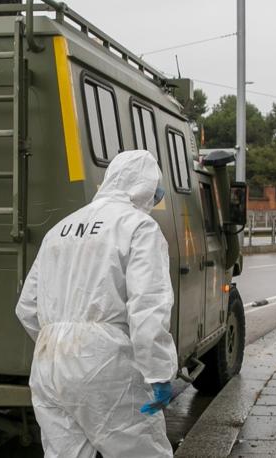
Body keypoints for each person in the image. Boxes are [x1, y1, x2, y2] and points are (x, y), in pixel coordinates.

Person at [15, 150, 176, 458]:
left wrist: (61, 343)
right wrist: (158, 372)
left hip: (49, 365)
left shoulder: (59, 229)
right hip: (105, 363)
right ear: (143, 187)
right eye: (154, 190)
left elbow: (26, 307)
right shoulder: (139, 227)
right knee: (142, 451)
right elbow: (148, 307)